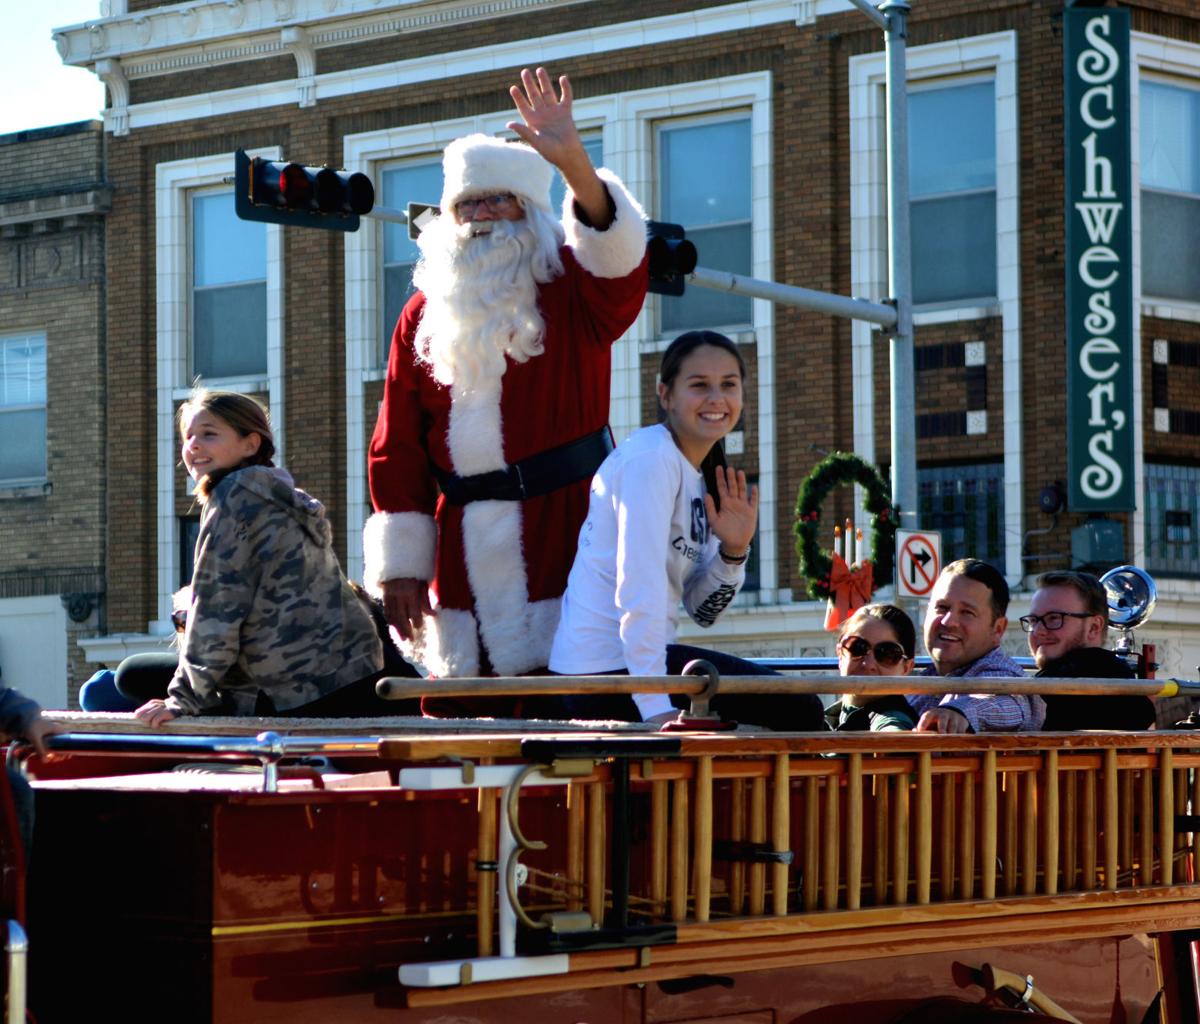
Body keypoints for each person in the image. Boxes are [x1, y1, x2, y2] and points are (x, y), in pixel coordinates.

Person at [365, 67, 649, 688]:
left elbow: (619, 259)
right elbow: (397, 443)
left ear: (531, 212)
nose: (482, 216)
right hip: (459, 552)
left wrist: (574, 162)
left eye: (499, 199)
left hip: (570, 533)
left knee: (577, 713)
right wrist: (402, 565)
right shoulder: (423, 312)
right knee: (459, 727)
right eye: (467, 204)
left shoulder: (573, 286)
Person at [548, 331, 824, 731]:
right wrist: (654, 704)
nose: (716, 398)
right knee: (799, 710)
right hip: (603, 673)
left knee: (795, 711)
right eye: (699, 385)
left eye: (729, 385)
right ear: (666, 395)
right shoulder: (650, 458)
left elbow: (703, 610)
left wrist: (734, 550)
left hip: (639, 665)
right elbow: (636, 586)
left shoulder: (702, 478)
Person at [135, 390, 389, 726]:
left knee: (126, 678)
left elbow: (218, 612)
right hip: (351, 672)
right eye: (188, 436)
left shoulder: (234, 500)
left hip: (296, 692)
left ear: (250, 444)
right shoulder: (274, 494)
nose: (193, 445)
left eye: (209, 434)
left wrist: (182, 700)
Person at [909, 559, 1045, 734]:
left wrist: (959, 712)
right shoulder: (921, 680)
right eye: (942, 607)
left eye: (967, 612)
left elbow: (1007, 703)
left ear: (998, 629)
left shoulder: (1002, 675)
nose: (948, 621)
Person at [1025, 570, 1154, 731]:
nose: (1038, 631)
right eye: (1033, 621)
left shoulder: (1044, 693)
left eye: (1054, 618)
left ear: (1094, 627)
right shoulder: (1131, 693)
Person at [826, 604, 917, 732]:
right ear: (840, 654)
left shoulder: (895, 717)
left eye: (887, 654)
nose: (868, 664)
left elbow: (893, 732)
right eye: (857, 648)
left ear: (907, 667)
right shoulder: (819, 717)